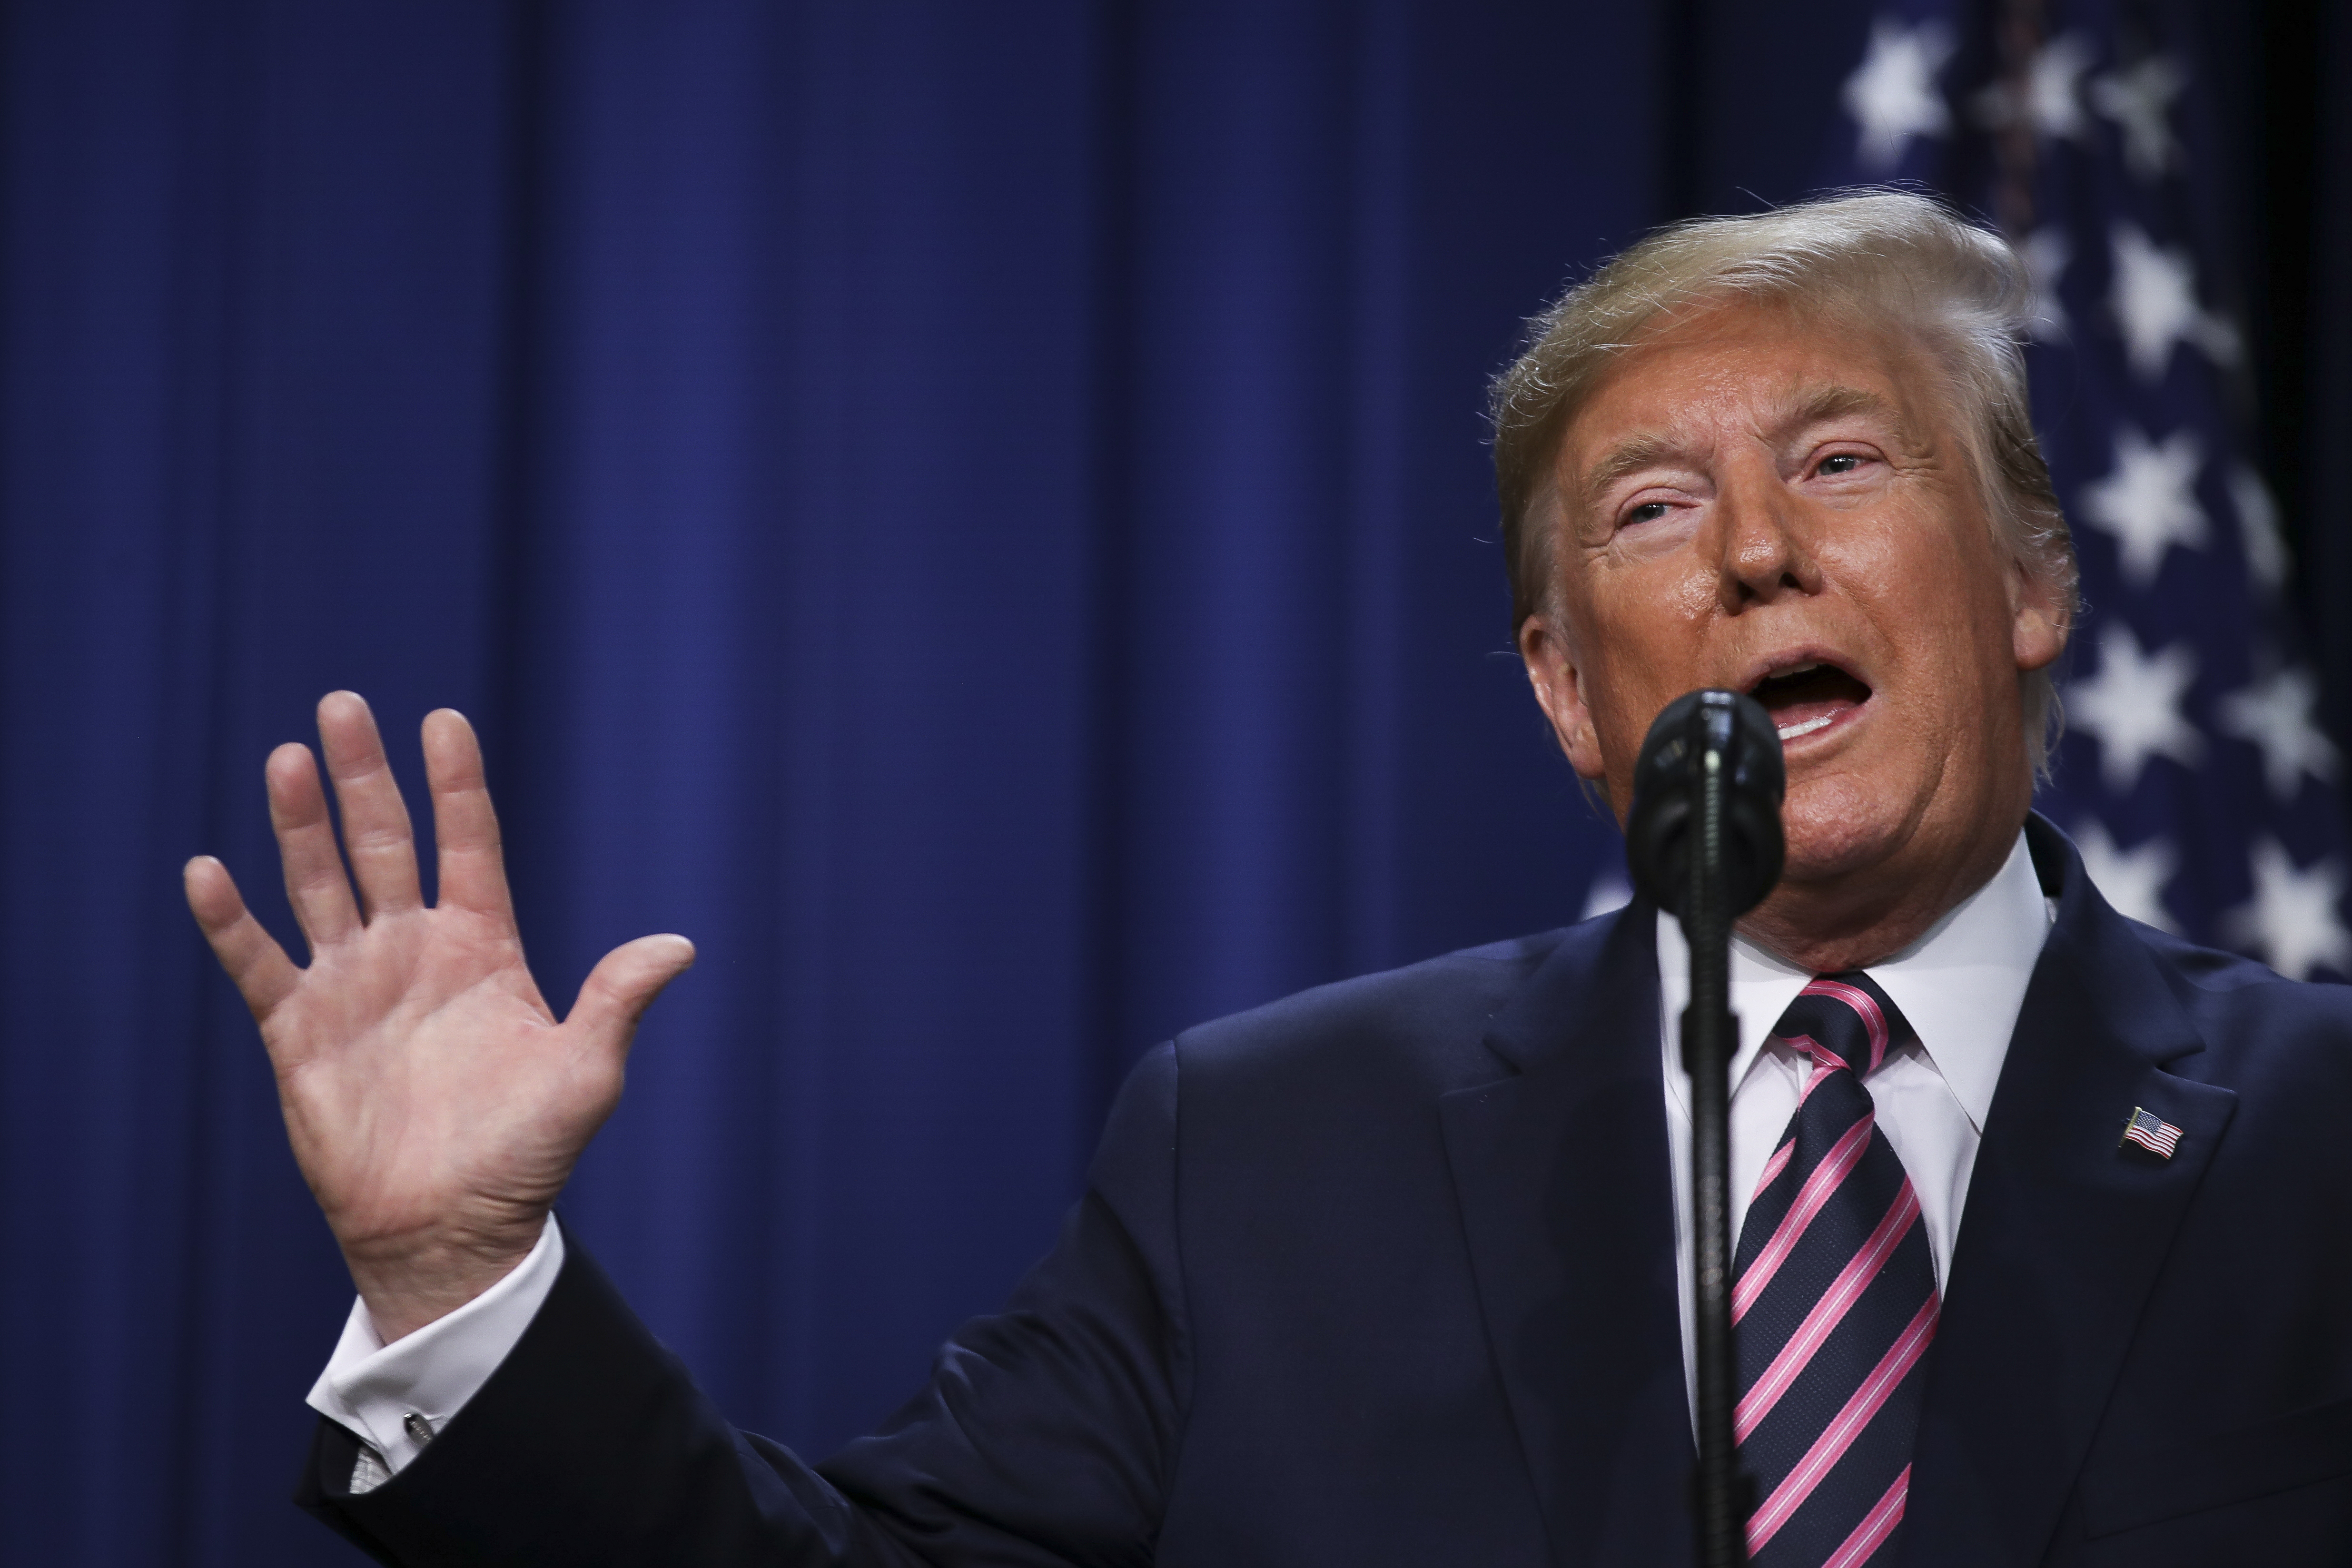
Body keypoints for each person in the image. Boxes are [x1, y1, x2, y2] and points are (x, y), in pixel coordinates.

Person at [185, 190, 2352, 1567]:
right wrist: (467, 1279)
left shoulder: (2324, 1143)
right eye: (1651, 512)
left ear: (2038, 582)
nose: (1756, 550)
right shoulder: (1272, 1148)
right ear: (1566, 693)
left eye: (1843, 462)